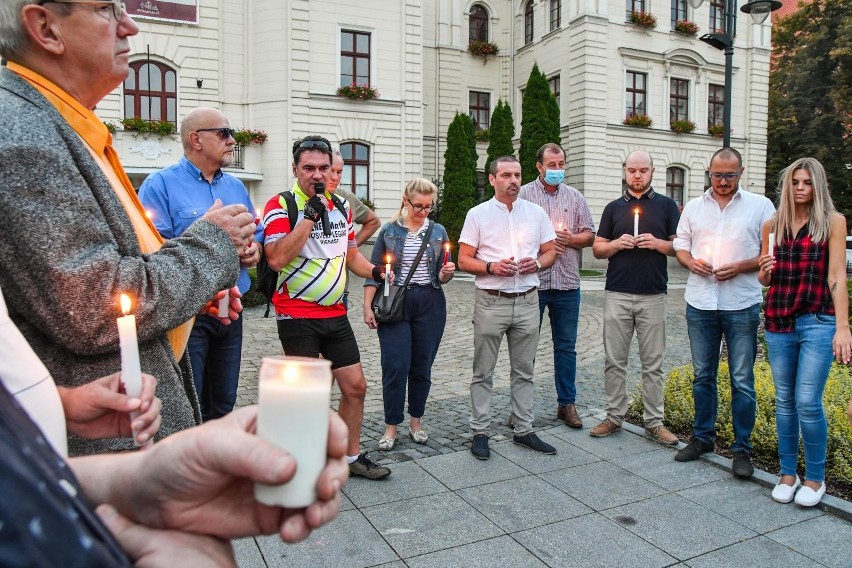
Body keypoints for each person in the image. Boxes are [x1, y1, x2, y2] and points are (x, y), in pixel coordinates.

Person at [0, 0, 256, 455]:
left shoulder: (64, 126)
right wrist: (214, 243)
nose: (130, 25)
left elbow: (125, 265)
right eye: (107, 10)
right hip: (106, 445)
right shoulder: (21, 136)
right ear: (45, 27)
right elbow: (95, 304)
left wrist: (196, 289)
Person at [262, 135, 391, 480]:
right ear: (295, 169)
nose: (317, 175)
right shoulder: (280, 205)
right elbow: (275, 258)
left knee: (355, 387)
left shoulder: (342, 207)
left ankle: (349, 458)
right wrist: (307, 217)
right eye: (309, 168)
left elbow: (350, 255)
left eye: (324, 168)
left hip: (335, 313)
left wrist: (375, 271)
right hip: (297, 314)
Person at [140, 107, 263, 422]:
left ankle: (221, 464)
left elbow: (256, 233)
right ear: (196, 139)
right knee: (189, 400)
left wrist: (254, 251)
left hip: (231, 311)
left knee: (224, 401)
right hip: (188, 315)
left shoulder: (235, 187)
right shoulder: (159, 185)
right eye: (223, 133)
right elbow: (151, 250)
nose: (232, 140)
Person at [673, 147, 775, 477]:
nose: (722, 181)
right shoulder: (693, 207)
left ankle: (742, 450)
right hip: (701, 301)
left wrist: (742, 266)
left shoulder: (761, 206)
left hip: (740, 302)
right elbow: (680, 244)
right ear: (709, 172)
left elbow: (768, 252)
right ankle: (702, 437)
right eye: (717, 175)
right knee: (703, 375)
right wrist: (691, 262)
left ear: (740, 174)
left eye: (729, 175)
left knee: (742, 379)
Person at [758, 158, 852, 507]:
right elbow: (764, 279)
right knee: (784, 401)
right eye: (795, 181)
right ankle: (787, 474)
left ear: (818, 185)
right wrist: (764, 271)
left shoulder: (833, 223)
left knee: (807, 402)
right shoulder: (772, 225)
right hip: (779, 319)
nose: (800, 187)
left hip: (817, 320)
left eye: (807, 182)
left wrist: (843, 327)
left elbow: (837, 277)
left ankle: (814, 478)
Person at [458, 155, 558, 460]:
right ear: (492, 180)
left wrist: (538, 263)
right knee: (483, 370)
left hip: (528, 299)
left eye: (516, 174)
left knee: (524, 370)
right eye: (505, 175)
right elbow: (464, 260)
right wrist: (491, 266)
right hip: (491, 301)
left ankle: (524, 429)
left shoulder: (536, 213)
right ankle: (480, 431)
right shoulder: (478, 214)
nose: (513, 180)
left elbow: (551, 251)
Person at [590, 150, 681, 445]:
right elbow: (598, 249)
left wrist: (658, 244)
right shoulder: (614, 208)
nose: (637, 175)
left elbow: (680, 248)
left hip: (653, 294)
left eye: (643, 170)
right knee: (615, 360)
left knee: (653, 363)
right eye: (632, 170)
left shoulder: (666, 206)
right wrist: (616, 243)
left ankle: (654, 422)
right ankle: (615, 416)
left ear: (653, 172)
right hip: (617, 292)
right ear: (625, 172)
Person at [363, 179, 455, 450]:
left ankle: (416, 421)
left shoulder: (438, 231)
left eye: (429, 207)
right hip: (395, 301)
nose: (424, 212)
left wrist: (445, 274)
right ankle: (391, 425)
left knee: (421, 366)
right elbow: (374, 271)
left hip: (430, 302)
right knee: (395, 365)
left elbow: (440, 275)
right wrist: (368, 306)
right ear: (405, 200)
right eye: (418, 206)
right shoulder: (389, 231)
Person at [519, 143, 595, 429]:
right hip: (532, 284)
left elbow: (589, 235)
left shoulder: (575, 197)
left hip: (566, 283)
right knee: (526, 348)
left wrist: (569, 239)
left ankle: (567, 404)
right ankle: (521, 407)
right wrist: (546, 244)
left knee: (566, 347)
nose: (557, 169)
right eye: (552, 165)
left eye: (561, 164)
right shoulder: (524, 194)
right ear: (539, 167)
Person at [327, 150, 381, 310]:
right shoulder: (298, 200)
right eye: (331, 171)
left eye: (339, 172)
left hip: (340, 289)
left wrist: (351, 245)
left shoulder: (345, 199)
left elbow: (373, 221)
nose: (335, 177)